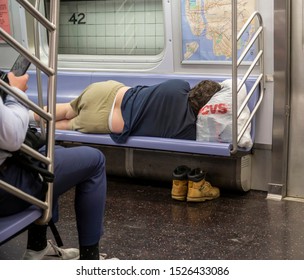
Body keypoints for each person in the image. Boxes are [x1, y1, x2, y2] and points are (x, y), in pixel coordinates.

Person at [0, 72, 108, 260]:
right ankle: (91, 260)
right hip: (6, 188)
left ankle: (37, 246)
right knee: (95, 160)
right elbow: (12, 136)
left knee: (51, 151)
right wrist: (15, 92)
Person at [32, 79, 222, 144]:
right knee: (66, 125)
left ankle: (24, 117)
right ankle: (27, 129)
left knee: (66, 110)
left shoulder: (179, 86)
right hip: (105, 121)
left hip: (108, 91)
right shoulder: (188, 130)